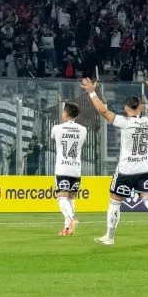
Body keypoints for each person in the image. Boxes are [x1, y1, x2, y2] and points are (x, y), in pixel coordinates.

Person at [82, 77, 148, 246]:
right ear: (141, 108)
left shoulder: (125, 122)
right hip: (144, 168)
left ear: (127, 108)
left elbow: (103, 111)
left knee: (115, 201)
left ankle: (110, 236)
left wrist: (92, 92)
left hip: (126, 170)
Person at [50, 101, 86, 236]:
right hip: (76, 169)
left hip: (62, 168)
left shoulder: (57, 128)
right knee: (70, 198)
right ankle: (67, 229)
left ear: (65, 113)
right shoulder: (83, 129)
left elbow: (53, 138)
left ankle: (72, 219)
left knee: (61, 197)